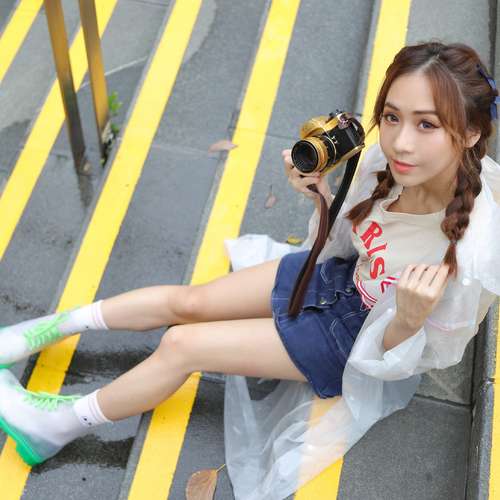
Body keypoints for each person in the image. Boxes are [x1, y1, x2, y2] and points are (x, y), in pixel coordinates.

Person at [0, 40, 500, 499]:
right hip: (334, 279)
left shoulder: (473, 253)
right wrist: (321, 197)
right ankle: (41, 331)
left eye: (427, 124)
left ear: (471, 132)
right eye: (391, 117)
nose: (401, 142)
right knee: (189, 301)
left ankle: (58, 425)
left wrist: (407, 321)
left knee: (182, 344)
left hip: (350, 340)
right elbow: (339, 245)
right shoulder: (382, 164)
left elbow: (418, 357)